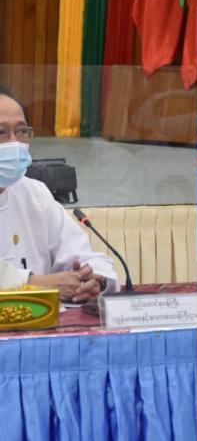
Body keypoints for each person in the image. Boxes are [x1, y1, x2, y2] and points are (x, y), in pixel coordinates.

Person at [0, 87, 118, 300]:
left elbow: (84, 256)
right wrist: (34, 284)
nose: (15, 143)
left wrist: (93, 280)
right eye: (1, 132)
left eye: (22, 131)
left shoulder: (34, 193)